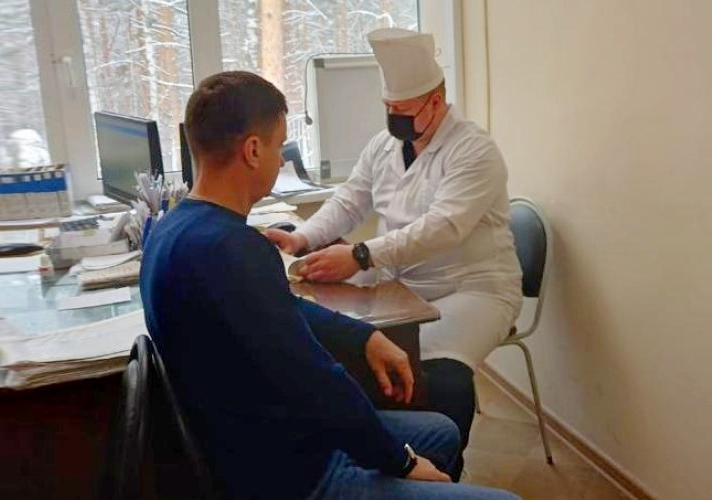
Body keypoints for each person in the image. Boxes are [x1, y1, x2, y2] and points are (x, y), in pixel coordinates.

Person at [140, 71, 518, 500]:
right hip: (294, 472)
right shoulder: (232, 249)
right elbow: (317, 382)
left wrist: (364, 336)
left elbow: (284, 309)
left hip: (255, 441)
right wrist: (402, 462)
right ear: (253, 150)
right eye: (280, 146)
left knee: (442, 430)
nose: (281, 160)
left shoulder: (171, 230)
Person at [266, 28, 523, 481]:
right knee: (357, 349)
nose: (393, 118)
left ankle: (444, 474)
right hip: (400, 283)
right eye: (388, 108)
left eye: (403, 110)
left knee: (439, 373)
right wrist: (301, 239)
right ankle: (391, 457)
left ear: (436, 102)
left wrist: (361, 255)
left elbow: (443, 226)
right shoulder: (383, 146)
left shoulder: (474, 151)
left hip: (472, 288)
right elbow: (349, 202)